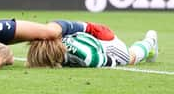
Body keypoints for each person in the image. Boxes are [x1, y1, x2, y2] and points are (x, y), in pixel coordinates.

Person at [27, 24, 158, 68]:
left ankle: (150, 40)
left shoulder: (88, 57)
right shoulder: (55, 44)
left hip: (108, 45)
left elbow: (109, 62)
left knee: (130, 58)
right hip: (91, 36)